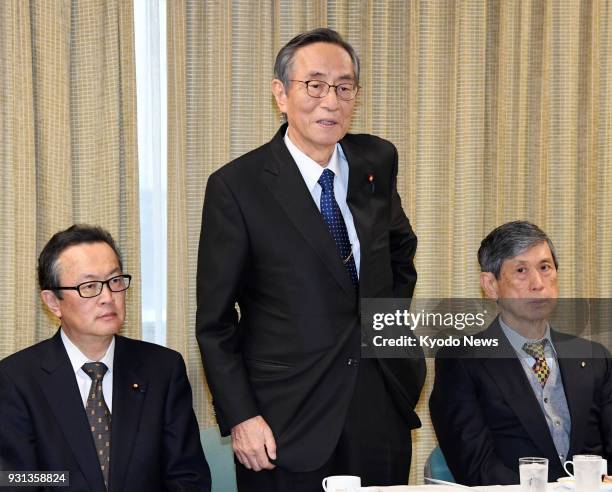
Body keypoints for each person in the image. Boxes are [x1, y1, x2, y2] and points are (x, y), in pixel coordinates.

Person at [196, 27, 425, 491]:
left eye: (344, 87)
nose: (331, 100)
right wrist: (242, 416)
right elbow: (215, 323)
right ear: (280, 94)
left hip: (379, 403)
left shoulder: (376, 160)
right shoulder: (237, 187)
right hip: (283, 419)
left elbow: (400, 249)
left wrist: (382, 320)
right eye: (314, 84)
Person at [0, 225, 211, 492]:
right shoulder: (16, 379)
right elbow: (16, 480)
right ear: (53, 302)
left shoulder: (162, 370)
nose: (108, 297)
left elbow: (187, 477)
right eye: (89, 286)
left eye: (115, 281)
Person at [430, 220, 612, 485]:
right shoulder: (462, 361)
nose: (538, 283)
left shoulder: (595, 357)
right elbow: (478, 469)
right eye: (521, 270)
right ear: (490, 285)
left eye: (545, 267)